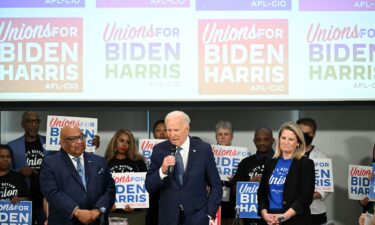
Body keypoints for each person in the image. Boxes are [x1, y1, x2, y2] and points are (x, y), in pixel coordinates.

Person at [145, 111, 222, 225]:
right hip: (168, 218)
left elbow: (216, 186)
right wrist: (162, 170)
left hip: (198, 218)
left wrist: (209, 213)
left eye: (176, 130)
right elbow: (149, 186)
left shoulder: (203, 149)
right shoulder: (159, 150)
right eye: (169, 130)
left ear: (187, 128)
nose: (171, 134)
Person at [39, 125, 115, 225]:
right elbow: (52, 192)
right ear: (62, 143)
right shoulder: (50, 163)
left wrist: (98, 210)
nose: (79, 141)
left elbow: (110, 189)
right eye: (72, 139)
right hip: (65, 221)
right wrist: (76, 212)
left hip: (96, 220)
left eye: (81, 137)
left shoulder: (99, 161)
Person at [257, 122, 315, 225]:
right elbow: (261, 192)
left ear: (298, 143)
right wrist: (264, 213)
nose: (286, 142)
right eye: (283, 138)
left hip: (295, 219)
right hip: (269, 219)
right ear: (279, 140)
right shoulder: (270, 162)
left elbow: (306, 196)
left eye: (291, 139)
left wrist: (285, 216)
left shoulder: (306, 164)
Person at [7, 111, 49, 225]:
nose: (34, 125)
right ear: (23, 124)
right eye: (30, 121)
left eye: (36, 121)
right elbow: (5, 172)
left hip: (46, 200)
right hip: (22, 201)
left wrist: (91, 144)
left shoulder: (50, 143)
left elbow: (68, 155)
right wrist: (19, 171)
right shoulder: (12, 145)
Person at [232, 127, 275, 225]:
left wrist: (264, 181)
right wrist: (249, 184)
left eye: (266, 139)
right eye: (259, 140)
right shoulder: (245, 163)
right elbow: (235, 190)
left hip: (273, 214)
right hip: (251, 215)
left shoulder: (280, 161)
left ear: (272, 140)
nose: (262, 143)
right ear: (254, 141)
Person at [104, 129, 147, 225]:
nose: (124, 144)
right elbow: (101, 188)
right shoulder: (105, 162)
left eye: (128, 142)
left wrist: (135, 205)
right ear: (115, 141)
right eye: (121, 140)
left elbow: (145, 187)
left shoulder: (139, 163)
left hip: (134, 215)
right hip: (111, 213)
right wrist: (107, 205)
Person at [297, 117, 330, 225]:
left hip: (315, 212)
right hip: (291, 210)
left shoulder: (322, 157)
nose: (305, 136)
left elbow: (326, 189)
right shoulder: (288, 155)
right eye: (302, 133)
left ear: (314, 134)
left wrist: (307, 196)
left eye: (308, 133)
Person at [214, 120, 236, 225]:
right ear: (216, 137)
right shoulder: (209, 154)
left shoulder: (239, 155)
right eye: (220, 134)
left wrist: (235, 179)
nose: (223, 137)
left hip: (232, 199)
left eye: (226, 134)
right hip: (214, 199)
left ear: (231, 137)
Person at [146, 119, 167, 225]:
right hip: (152, 200)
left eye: (165, 130)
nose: (162, 133)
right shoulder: (143, 153)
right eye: (158, 130)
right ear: (153, 134)